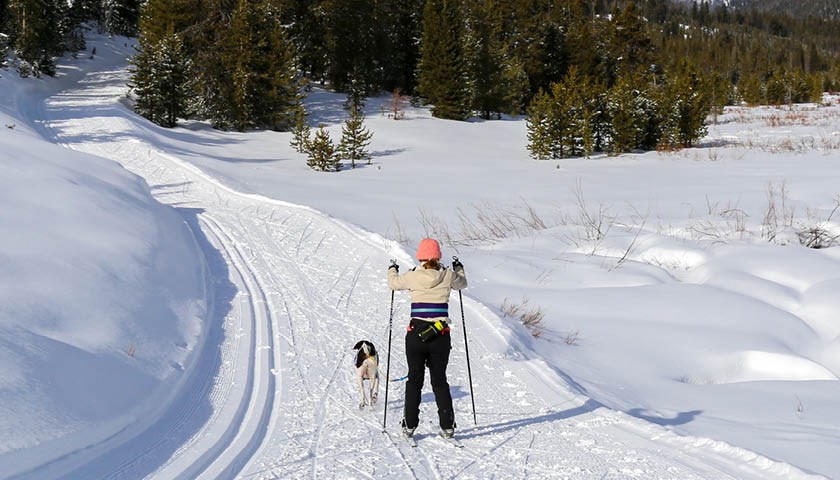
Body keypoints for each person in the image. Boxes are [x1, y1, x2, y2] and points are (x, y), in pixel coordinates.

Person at [388, 238, 467, 439]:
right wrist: (458, 268)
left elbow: (393, 284)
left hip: (416, 334)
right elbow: (462, 283)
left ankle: (409, 425)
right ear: (438, 256)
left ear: (420, 257)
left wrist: (392, 269)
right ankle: (447, 426)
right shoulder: (447, 275)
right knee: (439, 381)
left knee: (414, 380)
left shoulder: (413, 275)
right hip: (440, 334)